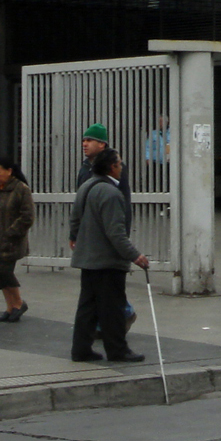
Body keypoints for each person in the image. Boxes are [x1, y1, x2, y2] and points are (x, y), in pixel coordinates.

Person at [69, 149, 148, 363]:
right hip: (107, 261)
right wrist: (135, 256)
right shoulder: (111, 193)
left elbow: (75, 219)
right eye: (119, 164)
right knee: (112, 308)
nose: (122, 168)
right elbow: (116, 233)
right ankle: (118, 350)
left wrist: (75, 239)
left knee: (88, 307)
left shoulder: (86, 186)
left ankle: (81, 348)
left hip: (88, 259)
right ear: (112, 167)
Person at [74, 122, 135, 330]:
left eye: (89, 140)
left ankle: (119, 315)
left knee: (109, 279)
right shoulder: (85, 169)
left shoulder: (114, 167)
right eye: (84, 140)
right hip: (91, 232)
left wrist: (123, 231)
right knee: (97, 281)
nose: (85, 144)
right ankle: (108, 319)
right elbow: (79, 203)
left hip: (109, 230)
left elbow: (122, 201)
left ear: (102, 144)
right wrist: (75, 233)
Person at [0, 156, 36, 321]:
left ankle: (19, 303)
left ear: (9, 171)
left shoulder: (21, 189)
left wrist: (11, 232)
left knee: (5, 272)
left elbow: (27, 216)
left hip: (10, 241)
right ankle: (10, 307)